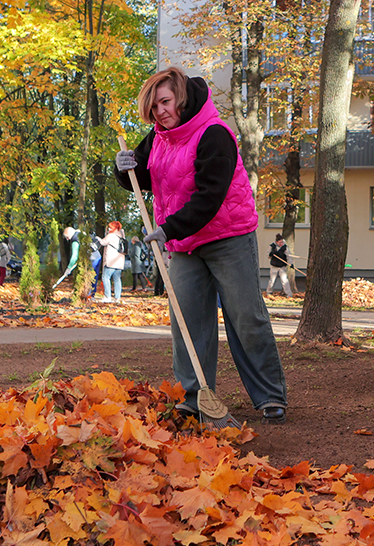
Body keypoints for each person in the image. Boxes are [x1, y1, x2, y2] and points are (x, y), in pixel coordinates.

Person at [114, 66, 288, 424]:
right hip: (184, 242)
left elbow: (210, 197)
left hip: (227, 235)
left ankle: (269, 395)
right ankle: (193, 396)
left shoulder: (214, 133)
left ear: (181, 96)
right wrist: (122, 168)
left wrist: (169, 228)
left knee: (245, 316)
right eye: (153, 108)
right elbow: (143, 177)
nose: (160, 112)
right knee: (187, 318)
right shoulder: (159, 136)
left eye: (164, 102)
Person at [53, 227, 101, 294]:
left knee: (88, 278)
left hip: (90, 258)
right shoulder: (81, 233)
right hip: (97, 256)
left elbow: (74, 257)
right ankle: (91, 295)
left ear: (70, 235)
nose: (68, 239)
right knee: (94, 278)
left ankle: (88, 295)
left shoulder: (75, 240)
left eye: (67, 237)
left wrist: (69, 268)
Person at [97, 221, 127, 302]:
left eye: (110, 227)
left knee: (105, 277)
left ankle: (107, 297)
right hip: (120, 261)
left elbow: (103, 242)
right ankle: (117, 298)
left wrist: (97, 238)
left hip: (111, 261)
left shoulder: (111, 236)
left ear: (114, 228)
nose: (109, 229)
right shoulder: (122, 236)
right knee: (117, 279)